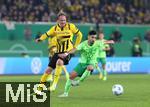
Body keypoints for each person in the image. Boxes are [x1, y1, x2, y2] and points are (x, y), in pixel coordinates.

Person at [35, 10, 82, 92]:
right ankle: (39, 88)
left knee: (59, 62)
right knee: (48, 70)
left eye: (64, 20)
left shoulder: (71, 27)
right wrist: (40, 39)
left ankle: (54, 85)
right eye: (61, 20)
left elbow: (79, 35)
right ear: (58, 20)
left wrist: (75, 46)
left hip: (68, 52)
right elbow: (47, 34)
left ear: (66, 20)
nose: (63, 22)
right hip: (58, 52)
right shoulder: (55, 28)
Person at [58, 30, 114, 97]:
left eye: (95, 38)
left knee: (90, 67)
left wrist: (110, 41)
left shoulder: (97, 43)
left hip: (92, 63)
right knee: (71, 77)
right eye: (92, 37)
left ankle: (78, 82)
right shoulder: (83, 44)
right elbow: (75, 49)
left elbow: (104, 41)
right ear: (88, 37)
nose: (94, 39)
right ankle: (65, 93)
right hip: (82, 64)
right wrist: (66, 53)